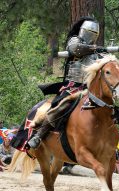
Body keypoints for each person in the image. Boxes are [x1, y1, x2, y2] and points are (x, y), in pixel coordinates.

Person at [28, 16, 102, 149]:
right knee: (63, 107)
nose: (92, 36)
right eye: (90, 32)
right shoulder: (75, 40)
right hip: (73, 86)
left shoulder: (95, 51)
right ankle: (39, 135)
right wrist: (94, 49)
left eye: (95, 34)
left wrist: (105, 55)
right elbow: (75, 49)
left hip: (89, 87)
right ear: (82, 30)